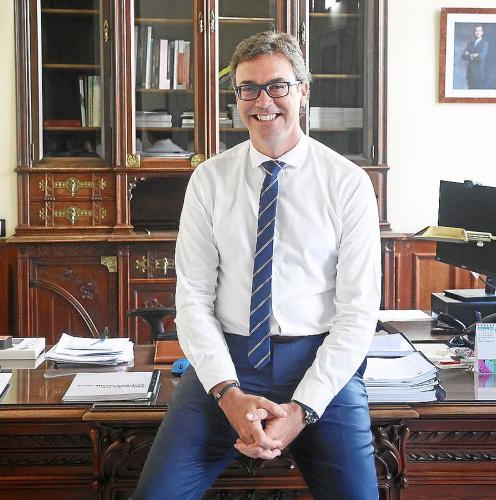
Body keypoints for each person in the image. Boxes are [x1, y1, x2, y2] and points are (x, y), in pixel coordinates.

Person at [133, 31, 381, 500]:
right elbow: (193, 298)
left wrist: (303, 409)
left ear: (303, 90)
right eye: (248, 88)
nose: (263, 102)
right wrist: (227, 394)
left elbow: (358, 311)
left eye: (277, 86)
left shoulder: (347, 183)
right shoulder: (209, 180)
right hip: (228, 363)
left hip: (317, 362)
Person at [462, 24, 489, 89]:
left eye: (479, 31)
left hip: (479, 75)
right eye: (476, 31)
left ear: (482, 32)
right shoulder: (470, 44)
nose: (477, 33)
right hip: (470, 75)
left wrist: (469, 55)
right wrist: (473, 55)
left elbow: (480, 57)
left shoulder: (484, 43)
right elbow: (463, 56)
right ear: (474, 32)